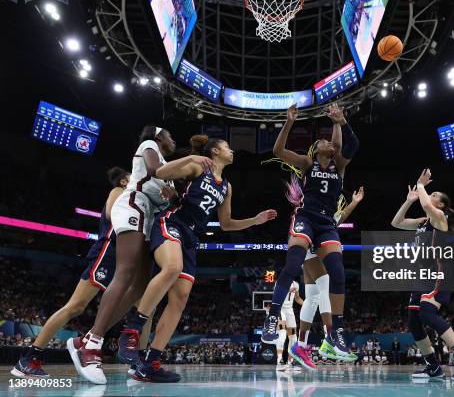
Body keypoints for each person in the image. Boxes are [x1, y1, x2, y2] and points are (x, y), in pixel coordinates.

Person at [127, 135, 276, 382]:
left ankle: (152, 362)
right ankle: (131, 330)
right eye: (228, 147)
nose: (233, 152)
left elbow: (226, 224)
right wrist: (191, 157)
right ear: (215, 151)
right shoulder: (199, 165)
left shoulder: (226, 186)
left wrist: (254, 220)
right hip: (173, 222)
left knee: (181, 298)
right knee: (172, 267)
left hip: (191, 238)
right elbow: (161, 171)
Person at [11, 168, 152, 378]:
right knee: (75, 306)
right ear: (124, 181)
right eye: (133, 177)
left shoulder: (141, 201)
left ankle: (138, 362)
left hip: (125, 258)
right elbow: (111, 213)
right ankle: (29, 358)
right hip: (108, 252)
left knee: (146, 307)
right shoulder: (118, 192)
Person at [68, 126, 181, 385]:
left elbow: (170, 197)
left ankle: (84, 339)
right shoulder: (149, 146)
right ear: (159, 136)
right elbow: (153, 171)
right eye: (170, 136)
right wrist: (185, 165)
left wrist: (172, 192)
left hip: (148, 215)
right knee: (126, 272)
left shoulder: (165, 164)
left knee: (140, 285)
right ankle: (92, 345)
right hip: (133, 206)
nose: (173, 140)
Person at [261, 103, 358, 371]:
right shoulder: (307, 163)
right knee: (293, 265)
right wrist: (289, 122)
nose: (329, 142)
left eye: (330, 140)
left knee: (337, 273)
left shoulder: (339, 165)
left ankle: (336, 331)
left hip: (327, 224)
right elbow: (278, 151)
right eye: (324, 140)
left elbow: (353, 144)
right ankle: (271, 318)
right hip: (305, 219)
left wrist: (341, 121)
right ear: (317, 150)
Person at [392, 169, 454, 380]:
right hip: (422, 275)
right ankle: (433, 366)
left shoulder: (440, 218)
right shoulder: (424, 221)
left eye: (433, 196)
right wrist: (409, 200)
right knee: (414, 321)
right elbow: (396, 222)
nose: (428, 197)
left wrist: (421, 186)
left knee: (427, 312)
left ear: (440, 204)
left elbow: (426, 205)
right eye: (429, 194)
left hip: (438, 272)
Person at [295, 186, 364, 363]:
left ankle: (301, 346)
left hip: (308, 249)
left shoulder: (321, 208)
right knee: (327, 283)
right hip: (311, 246)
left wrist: (354, 203)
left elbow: (337, 219)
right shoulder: (311, 205)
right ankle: (330, 339)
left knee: (312, 297)